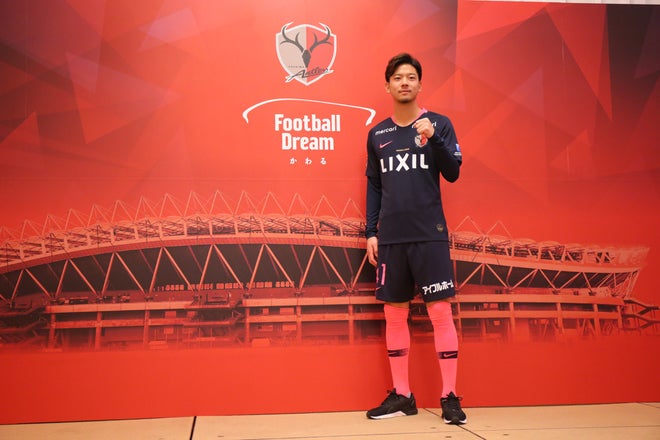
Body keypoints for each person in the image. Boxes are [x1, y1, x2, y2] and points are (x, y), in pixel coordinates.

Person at [364, 53, 466, 425]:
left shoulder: (439, 124)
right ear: (387, 86)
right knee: (394, 315)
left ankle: (449, 396)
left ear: (420, 84)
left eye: (410, 77)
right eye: (397, 77)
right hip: (392, 239)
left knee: (440, 312)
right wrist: (371, 232)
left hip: (429, 235)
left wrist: (434, 139)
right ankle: (403, 395)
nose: (404, 82)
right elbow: (375, 186)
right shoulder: (377, 134)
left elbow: (452, 172)